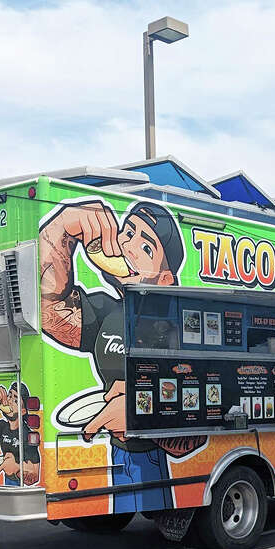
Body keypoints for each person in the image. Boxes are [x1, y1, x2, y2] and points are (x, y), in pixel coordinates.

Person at [39, 199, 205, 512]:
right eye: (128, 232)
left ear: (166, 279)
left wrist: (136, 412)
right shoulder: (108, 310)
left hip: (154, 459)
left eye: (146, 248)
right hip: (115, 455)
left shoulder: (178, 323)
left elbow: (194, 432)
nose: (128, 245)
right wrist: (61, 230)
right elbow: (48, 310)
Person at [0, 381, 42, 486]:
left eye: (16, 400)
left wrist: (16, 468)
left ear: (22, 411)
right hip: (7, 484)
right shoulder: (3, 427)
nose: (9, 401)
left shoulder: (27, 435)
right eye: (9, 395)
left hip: (21, 488)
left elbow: (34, 475)